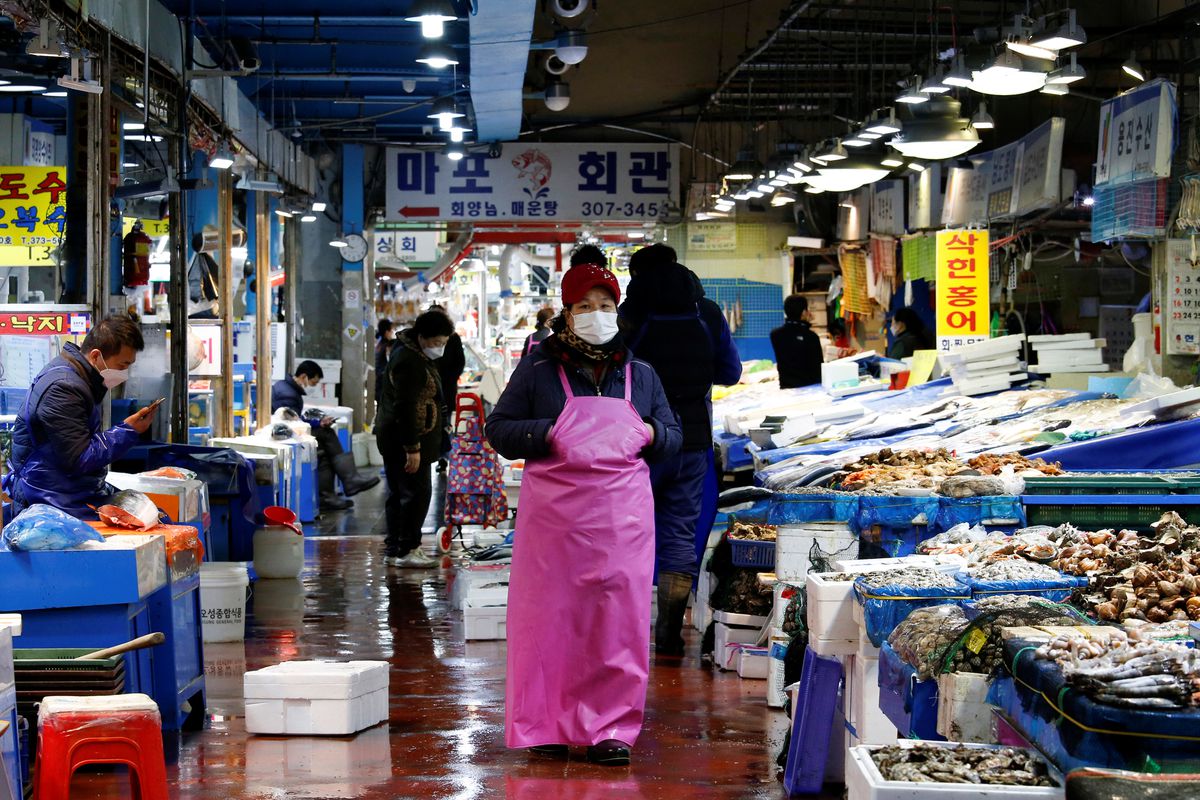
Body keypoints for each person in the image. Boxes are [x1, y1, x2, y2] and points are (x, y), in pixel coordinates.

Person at [487, 261, 682, 766]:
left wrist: (651, 434)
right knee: (549, 621)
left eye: (605, 306)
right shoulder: (537, 370)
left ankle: (611, 730)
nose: (596, 316)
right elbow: (500, 429)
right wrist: (547, 432)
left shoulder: (642, 375)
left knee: (617, 623)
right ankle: (543, 725)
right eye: (584, 307)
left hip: (623, 524)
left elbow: (674, 435)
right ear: (566, 316)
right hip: (554, 526)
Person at [619, 243, 742, 658]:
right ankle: (668, 636)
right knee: (680, 535)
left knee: (625, 533)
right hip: (691, 442)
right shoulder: (704, 311)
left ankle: (623, 631)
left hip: (638, 442)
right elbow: (731, 372)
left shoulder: (631, 313)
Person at [5, 315, 158, 518]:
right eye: (122, 366)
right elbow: (80, 458)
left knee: (151, 513)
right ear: (96, 356)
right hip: (49, 499)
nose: (125, 373)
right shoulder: (63, 387)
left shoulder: (78, 378)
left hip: (67, 490)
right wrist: (127, 431)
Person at [375, 311, 456, 568]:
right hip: (406, 441)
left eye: (444, 342)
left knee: (401, 492)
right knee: (414, 493)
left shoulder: (412, 353)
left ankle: (397, 547)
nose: (440, 348)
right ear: (422, 337)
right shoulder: (409, 360)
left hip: (402, 439)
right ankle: (408, 548)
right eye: (437, 342)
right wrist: (413, 447)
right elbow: (406, 407)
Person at [273, 361, 379, 513]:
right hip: (286, 437)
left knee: (324, 450)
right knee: (326, 434)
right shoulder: (287, 394)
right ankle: (349, 481)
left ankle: (330, 494)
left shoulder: (287, 388)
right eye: (313, 382)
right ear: (303, 376)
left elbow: (294, 418)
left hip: (289, 432)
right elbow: (291, 423)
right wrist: (317, 424)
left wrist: (317, 422)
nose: (312, 386)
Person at [771, 294, 825, 389]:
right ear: (804, 312)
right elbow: (819, 369)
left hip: (786, 388)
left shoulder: (775, 335)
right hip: (810, 389)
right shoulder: (811, 337)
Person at [428, 304, 465, 428]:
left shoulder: (453, 338)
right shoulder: (424, 339)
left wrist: (450, 378)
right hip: (428, 390)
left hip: (447, 388)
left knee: (445, 422)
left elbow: (460, 362)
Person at [374, 319, 395, 402]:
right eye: (391, 330)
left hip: (379, 381)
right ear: (387, 332)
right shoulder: (388, 346)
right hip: (384, 382)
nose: (392, 332)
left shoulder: (379, 344)